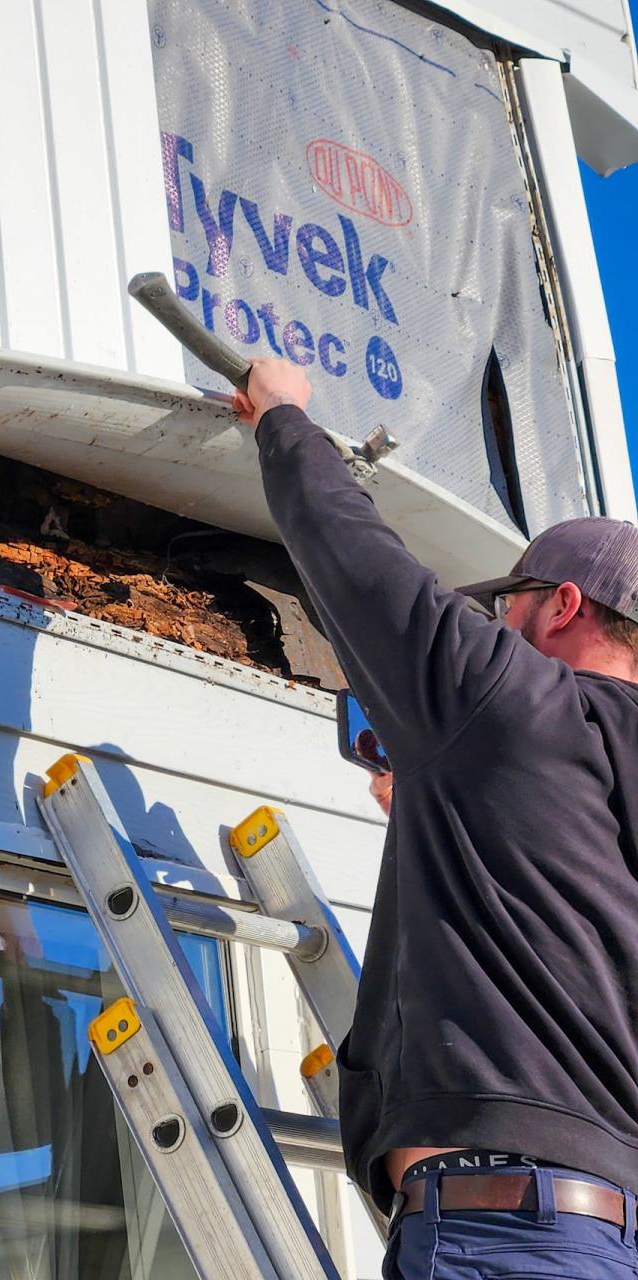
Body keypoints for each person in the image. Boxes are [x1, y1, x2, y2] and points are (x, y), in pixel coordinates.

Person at [234, 357, 638, 1279]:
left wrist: (281, 418)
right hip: (602, 1237)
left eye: (513, 607)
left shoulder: (514, 701)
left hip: (501, 1238)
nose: (496, 631)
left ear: (565, 606)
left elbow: (356, 561)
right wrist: (448, 804)